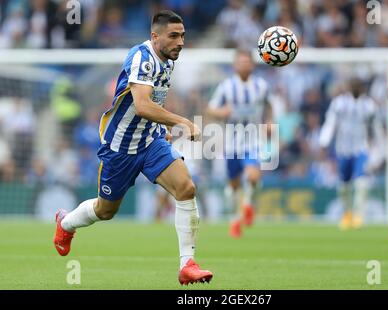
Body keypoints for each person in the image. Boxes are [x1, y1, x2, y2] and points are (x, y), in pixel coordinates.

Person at [53, 10, 213, 285]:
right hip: (120, 147)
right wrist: (182, 122)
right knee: (106, 211)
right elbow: (141, 104)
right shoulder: (141, 57)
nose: (180, 42)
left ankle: (187, 264)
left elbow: (153, 102)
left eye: (183, 36)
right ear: (155, 36)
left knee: (186, 188)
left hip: (150, 141)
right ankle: (65, 223)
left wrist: (161, 125)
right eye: (174, 36)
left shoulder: (169, 59)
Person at [207, 49, 272, 238]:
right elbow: (211, 108)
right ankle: (235, 220)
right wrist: (221, 113)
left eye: (247, 62)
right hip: (232, 143)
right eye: (241, 62)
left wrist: (269, 122)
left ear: (252, 65)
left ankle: (248, 204)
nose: (244, 65)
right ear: (235, 65)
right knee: (233, 187)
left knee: (252, 177)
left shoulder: (261, 86)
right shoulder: (226, 87)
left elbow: (269, 106)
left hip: (253, 140)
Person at [319, 76, 384, 230]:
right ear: (348, 86)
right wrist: (324, 142)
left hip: (361, 149)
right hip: (343, 150)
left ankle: (359, 216)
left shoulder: (369, 106)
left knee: (362, 182)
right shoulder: (339, 103)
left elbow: (376, 129)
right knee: (344, 186)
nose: (355, 87)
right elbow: (330, 123)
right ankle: (347, 214)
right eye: (352, 84)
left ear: (362, 88)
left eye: (358, 85)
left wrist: (381, 149)